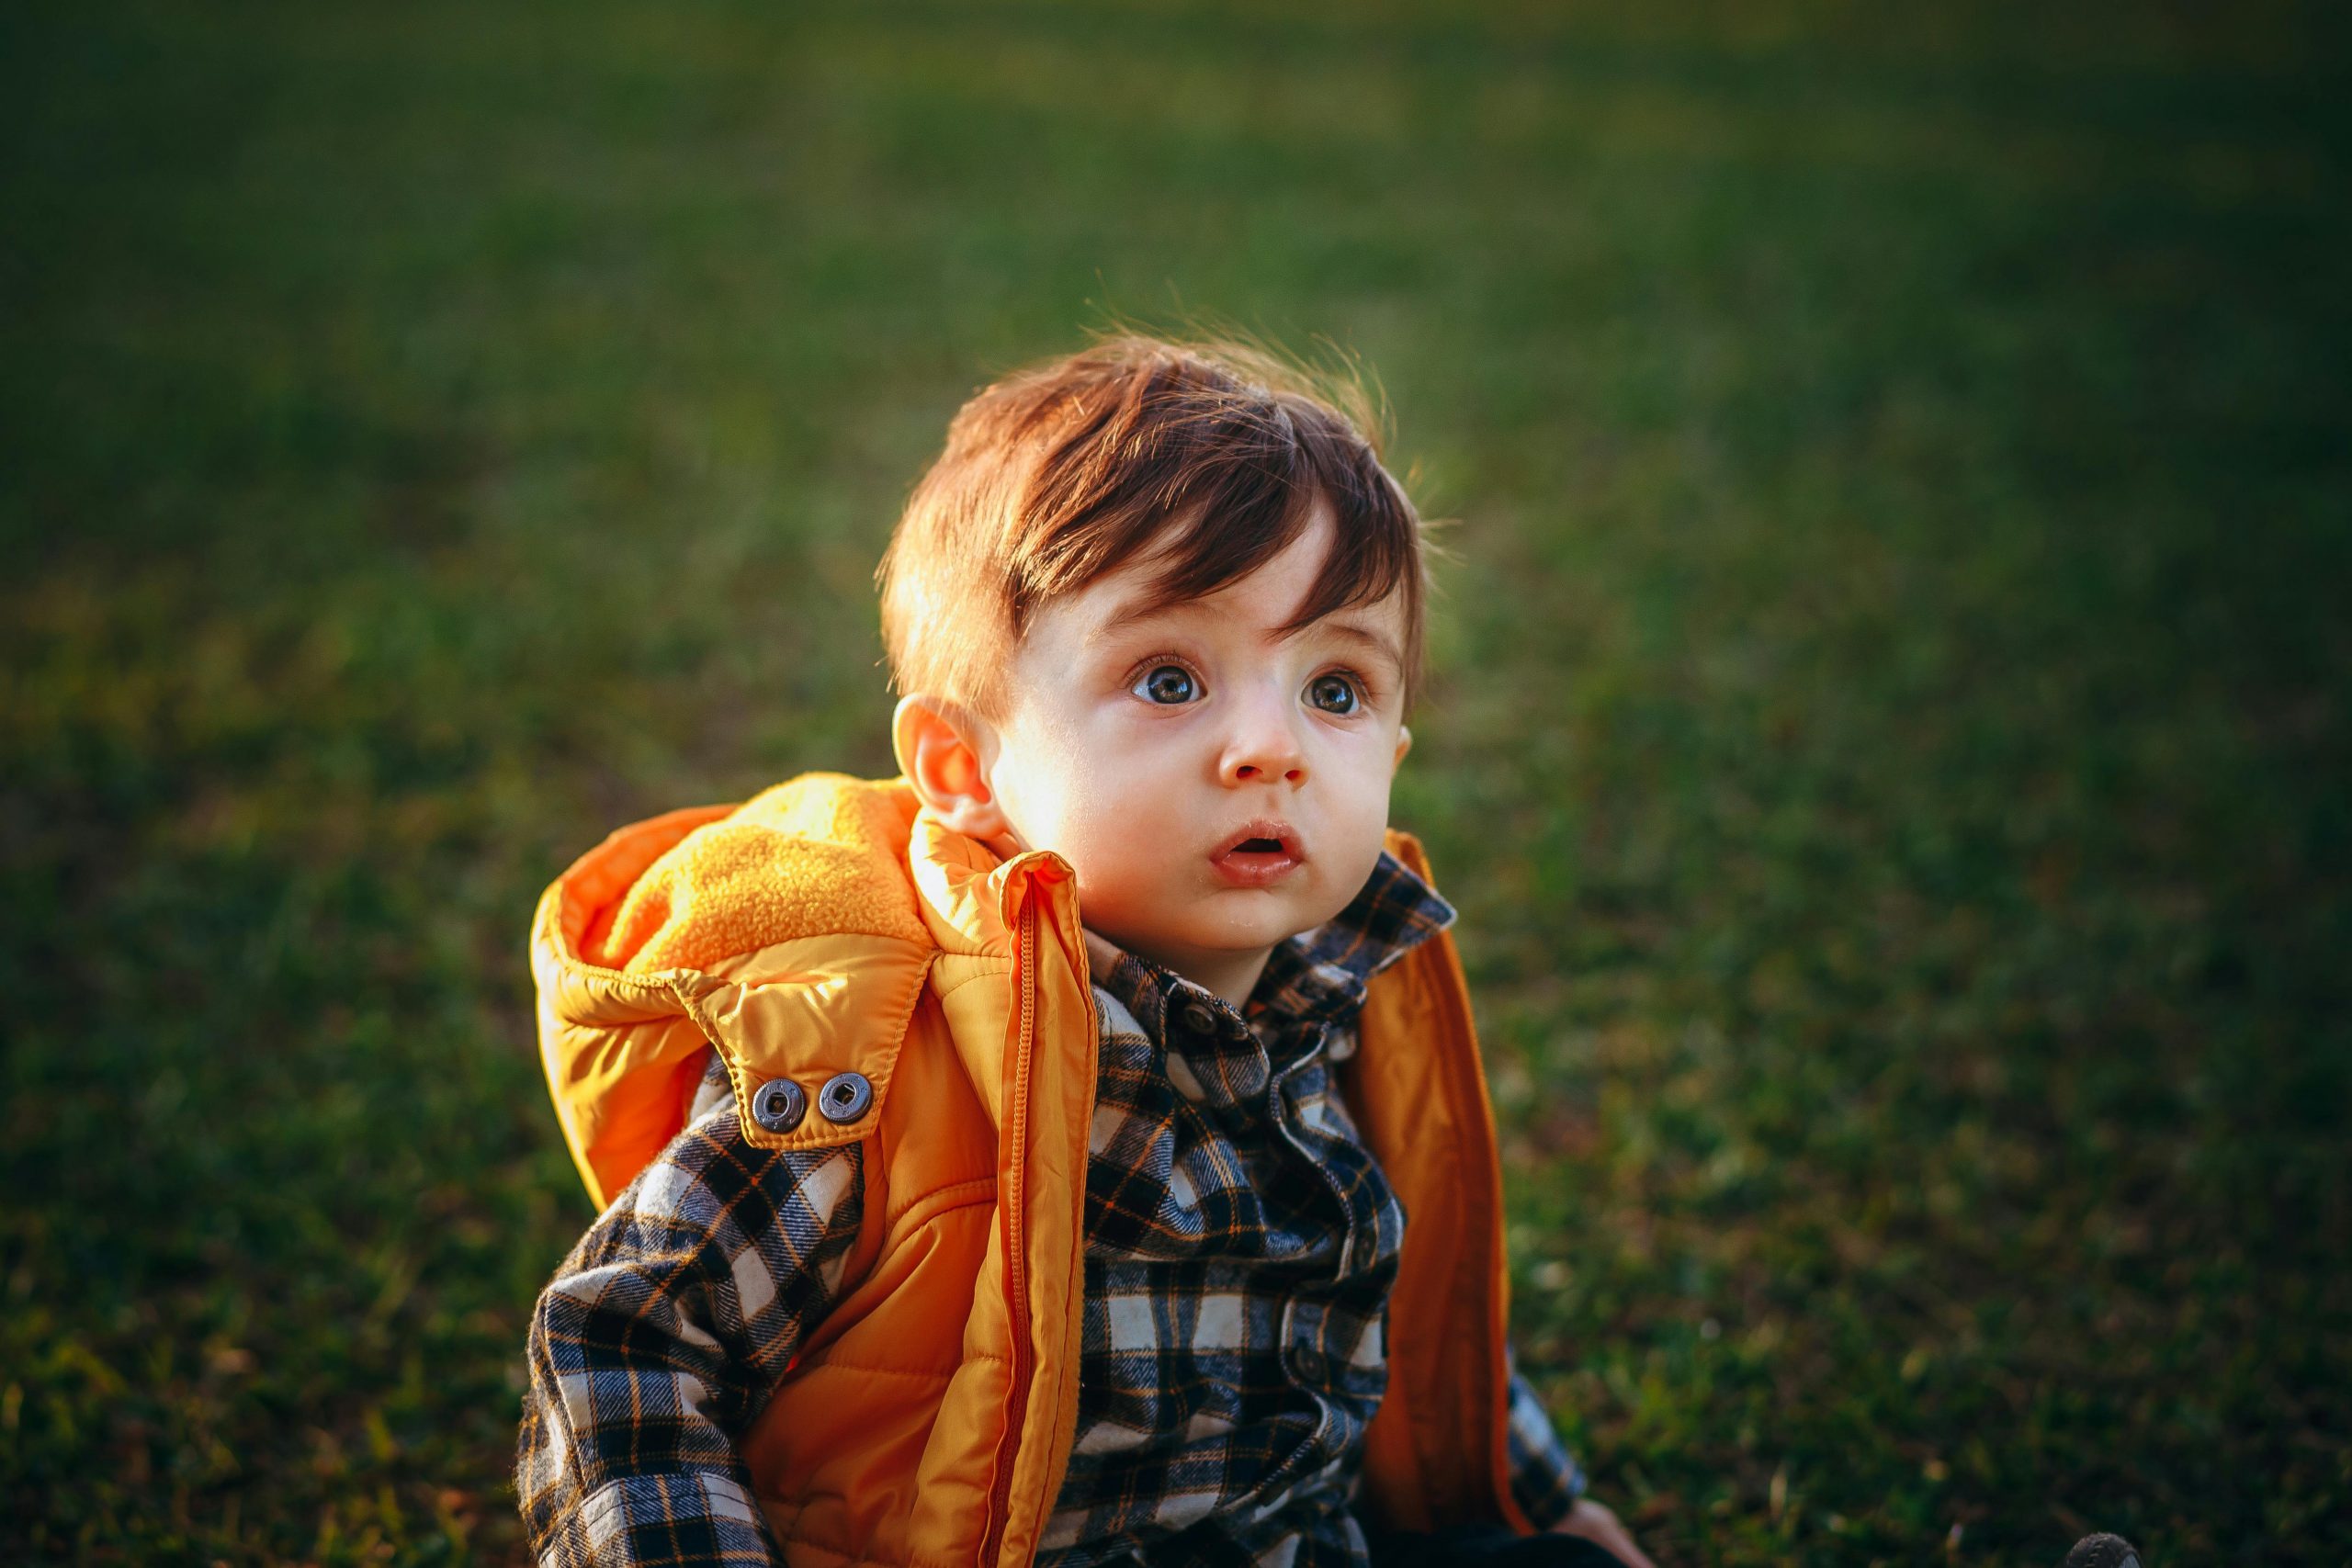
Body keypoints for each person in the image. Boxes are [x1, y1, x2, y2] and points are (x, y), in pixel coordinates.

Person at [514, 336, 1655, 1567]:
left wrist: (1534, 1499)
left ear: (1393, 752)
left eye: (1336, 688)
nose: (1270, 747)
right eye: (1170, 680)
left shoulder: (1344, 1000)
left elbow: (1401, 1309)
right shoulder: (876, 1060)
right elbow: (626, 1350)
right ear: (966, 771)